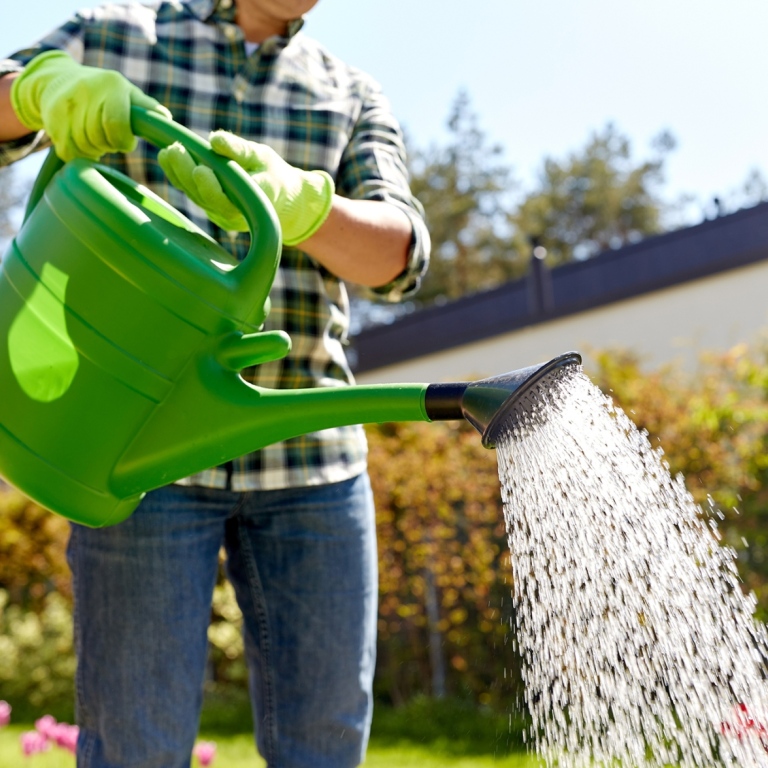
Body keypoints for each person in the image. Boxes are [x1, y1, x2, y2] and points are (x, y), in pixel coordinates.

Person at [0, 2, 430, 766]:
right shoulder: (114, 32)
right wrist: (38, 88)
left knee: (325, 746)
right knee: (135, 744)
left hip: (310, 463)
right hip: (141, 453)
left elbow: (399, 259)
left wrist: (309, 209)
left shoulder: (350, 92)